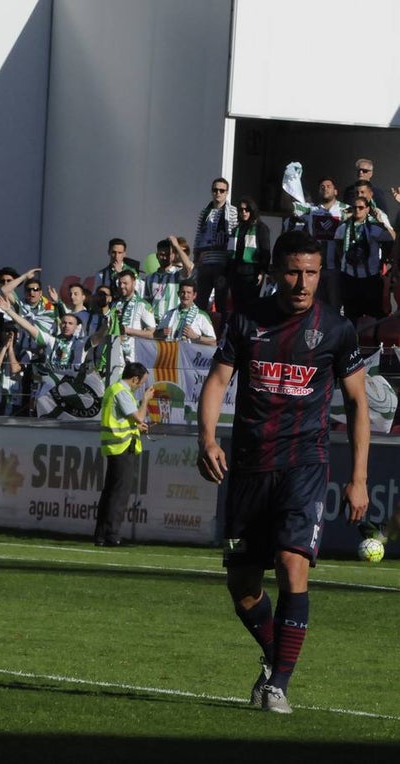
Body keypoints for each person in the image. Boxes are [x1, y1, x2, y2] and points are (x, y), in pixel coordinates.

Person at [197, 230, 370, 714]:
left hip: (305, 464)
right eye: (294, 271)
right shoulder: (247, 320)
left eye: (311, 272)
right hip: (250, 466)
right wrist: (207, 438)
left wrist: (358, 478)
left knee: (293, 565)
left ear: (321, 273)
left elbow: (357, 404)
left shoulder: (336, 330)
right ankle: (276, 659)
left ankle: (279, 686)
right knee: (244, 588)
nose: (302, 282)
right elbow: (217, 380)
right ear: (276, 272)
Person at [93, 362, 153, 547]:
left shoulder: (114, 389)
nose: (140, 387)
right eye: (140, 383)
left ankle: (101, 535)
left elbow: (127, 419)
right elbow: (139, 416)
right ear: (134, 379)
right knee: (119, 494)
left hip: (115, 447)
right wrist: (145, 400)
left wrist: (136, 425)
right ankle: (112, 535)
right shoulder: (122, 391)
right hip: (122, 447)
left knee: (110, 493)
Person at [334, 195, 395, 342]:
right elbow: (338, 247)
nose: (357, 210)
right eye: (354, 207)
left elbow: (391, 239)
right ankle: (351, 345)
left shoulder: (374, 227)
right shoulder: (343, 227)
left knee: (376, 313)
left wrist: (383, 261)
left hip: (370, 278)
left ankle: (375, 344)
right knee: (350, 314)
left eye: (361, 207)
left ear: (367, 209)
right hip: (350, 277)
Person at [193, 178, 238, 313]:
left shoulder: (233, 212)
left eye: (221, 190)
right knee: (200, 300)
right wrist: (196, 258)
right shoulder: (205, 212)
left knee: (221, 302)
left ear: (227, 192)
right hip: (205, 262)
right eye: (215, 190)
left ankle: (220, 331)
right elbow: (199, 236)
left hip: (222, 263)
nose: (218, 193)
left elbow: (234, 237)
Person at [304, 177, 347, 307]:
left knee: (334, 306)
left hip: (336, 269)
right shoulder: (311, 212)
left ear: (335, 191)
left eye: (328, 186)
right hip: (316, 268)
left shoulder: (346, 210)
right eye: (322, 187)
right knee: (316, 306)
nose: (325, 188)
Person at [228, 199, 271, 310]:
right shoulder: (236, 229)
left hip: (252, 274)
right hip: (236, 274)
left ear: (252, 211)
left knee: (250, 305)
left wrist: (262, 272)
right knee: (237, 306)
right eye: (241, 210)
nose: (244, 212)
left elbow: (265, 252)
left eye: (247, 210)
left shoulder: (261, 228)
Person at [110, 269, 156, 365]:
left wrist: (128, 330)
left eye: (125, 283)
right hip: (114, 354)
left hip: (133, 358)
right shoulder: (114, 304)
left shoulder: (143, 305)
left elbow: (151, 334)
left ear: (134, 283)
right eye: (120, 283)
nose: (122, 286)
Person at [143, 235, 194, 319]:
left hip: (172, 321)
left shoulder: (177, 273)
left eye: (168, 254)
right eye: (162, 254)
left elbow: (189, 268)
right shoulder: (150, 278)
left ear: (173, 255)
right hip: (154, 323)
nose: (165, 257)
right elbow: (146, 303)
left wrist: (176, 245)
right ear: (157, 256)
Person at [155, 280, 217, 346]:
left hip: (191, 354)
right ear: (178, 294)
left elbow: (213, 342)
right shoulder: (169, 314)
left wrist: (196, 337)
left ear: (194, 295)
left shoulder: (201, 316)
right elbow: (156, 335)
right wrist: (162, 333)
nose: (185, 295)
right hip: (170, 353)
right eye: (183, 292)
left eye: (189, 292)